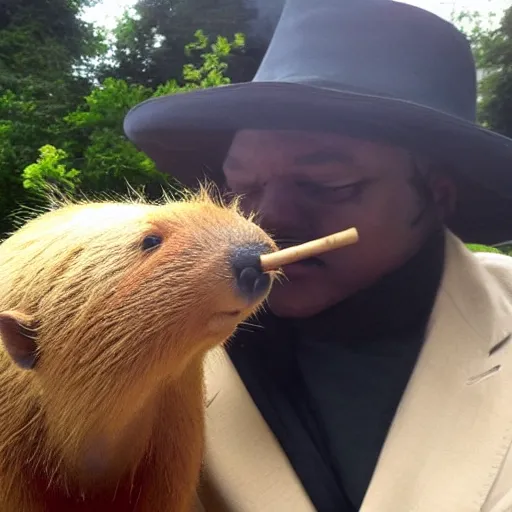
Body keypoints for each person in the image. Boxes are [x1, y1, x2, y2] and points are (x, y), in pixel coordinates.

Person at [124, 0, 512, 510]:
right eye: (241, 187)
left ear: (437, 195)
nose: (268, 220)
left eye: (329, 184)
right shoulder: (153, 339)